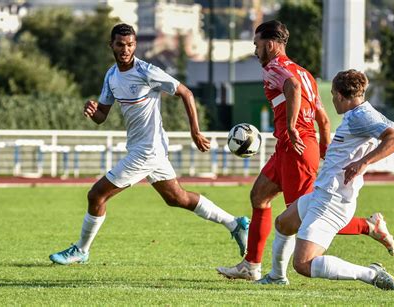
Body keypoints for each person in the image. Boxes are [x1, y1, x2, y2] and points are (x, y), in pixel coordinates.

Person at [49, 24, 249, 265]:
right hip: (143, 148)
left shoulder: (147, 71)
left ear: (135, 45)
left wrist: (195, 131)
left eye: (130, 45)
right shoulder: (111, 75)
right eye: (120, 45)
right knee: (177, 198)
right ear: (111, 45)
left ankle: (81, 249)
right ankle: (234, 223)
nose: (125, 49)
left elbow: (186, 92)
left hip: (148, 150)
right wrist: (92, 111)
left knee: (96, 196)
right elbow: (102, 115)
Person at [217, 20, 394, 283]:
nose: (255, 51)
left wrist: (290, 128)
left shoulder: (275, 68)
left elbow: (293, 88)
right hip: (290, 148)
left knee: (301, 217)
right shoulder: (306, 74)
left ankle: (369, 226)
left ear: (269, 44)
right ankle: (251, 265)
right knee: (259, 196)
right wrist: (323, 150)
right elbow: (323, 119)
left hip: (295, 148)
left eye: (256, 45)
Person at [255, 69, 394, 290]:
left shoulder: (361, 115)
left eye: (331, 94)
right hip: (323, 194)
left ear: (339, 95)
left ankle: (371, 274)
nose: (332, 99)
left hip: (333, 200)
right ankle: (276, 277)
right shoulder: (363, 113)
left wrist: (364, 162)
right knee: (283, 224)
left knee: (303, 264)